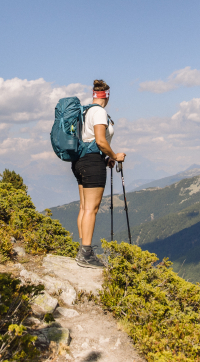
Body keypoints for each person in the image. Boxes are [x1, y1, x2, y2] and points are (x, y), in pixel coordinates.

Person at [72, 79, 126, 268]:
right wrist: (114, 156)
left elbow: (88, 140)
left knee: (83, 207)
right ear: (107, 96)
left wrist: (106, 158)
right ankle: (86, 254)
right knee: (91, 209)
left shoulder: (84, 112)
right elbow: (101, 141)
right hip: (93, 163)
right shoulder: (100, 112)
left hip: (80, 161)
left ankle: (82, 250)